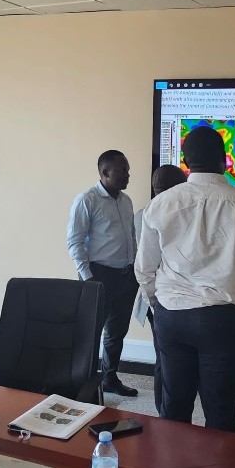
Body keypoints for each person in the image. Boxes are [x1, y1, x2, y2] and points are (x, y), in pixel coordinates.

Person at [136, 126, 235, 433]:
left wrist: (159, 307)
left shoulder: (160, 204)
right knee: (222, 417)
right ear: (225, 159)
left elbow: (144, 269)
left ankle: (172, 465)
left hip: (172, 318)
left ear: (186, 161)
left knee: (173, 413)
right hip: (224, 321)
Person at [67, 150, 139, 397]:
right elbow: (74, 242)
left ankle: (109, 378)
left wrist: (135, 266)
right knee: (91, 332)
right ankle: (83, 382)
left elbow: (131, 237)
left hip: (126, 276)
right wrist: (88, 279)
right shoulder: (87, 200)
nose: (127, 175)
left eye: (127, 170)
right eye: (122, 171)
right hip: (98, 275)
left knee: (117, 332)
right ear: (105, 172)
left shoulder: (126, 201)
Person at [134, 164, 187, 414]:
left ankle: (163, 413)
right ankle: (166, 411)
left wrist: (153, 300)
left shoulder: (141, 213)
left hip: (153, 297)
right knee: (170, 362)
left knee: (163, 359)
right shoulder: (183, 214)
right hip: (168, 298)